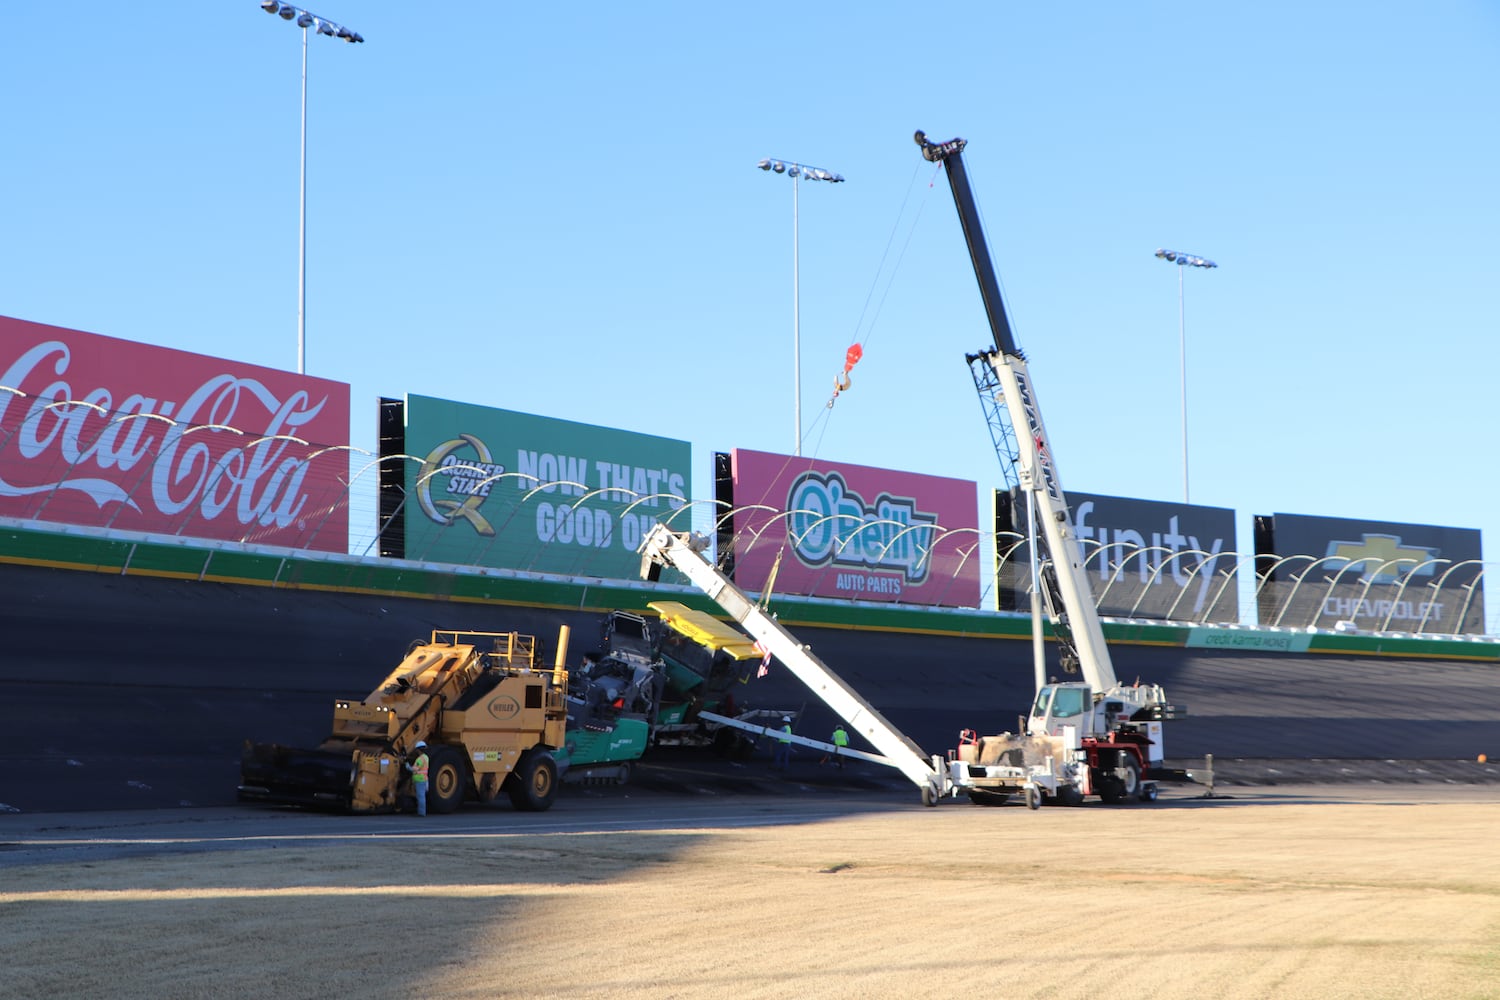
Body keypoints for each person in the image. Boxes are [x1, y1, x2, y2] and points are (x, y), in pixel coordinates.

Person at [407, 740, 430, 816]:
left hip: (419, 779)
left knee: (420, 796)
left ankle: (421, 813)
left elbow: (415, 768)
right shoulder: (426, 757)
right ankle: (421, 811)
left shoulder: (420, 759)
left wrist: (408, 767)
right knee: (421, 796)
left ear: (418, 750)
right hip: (423, 779)